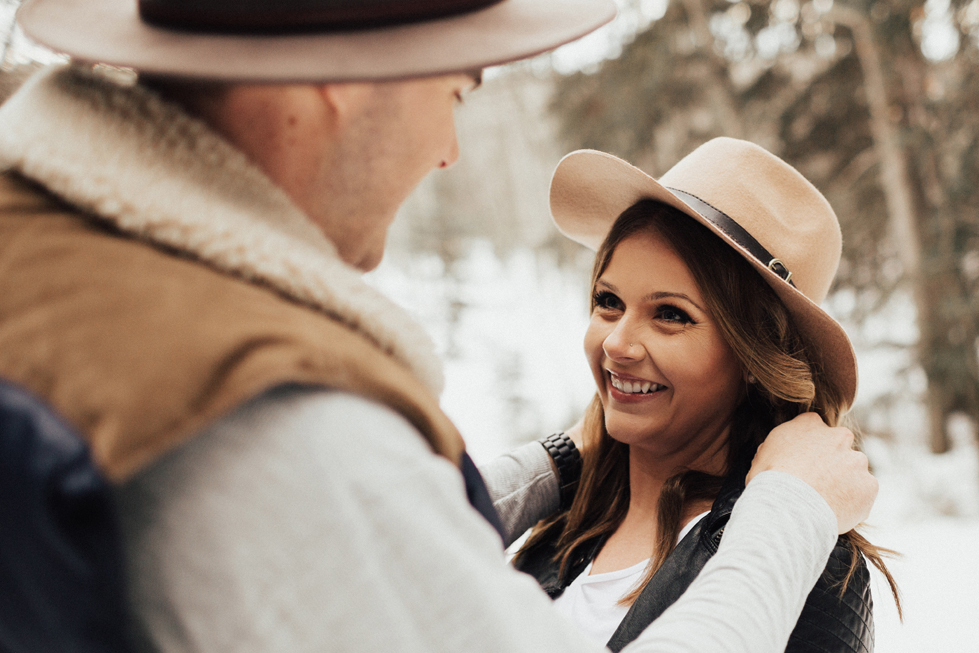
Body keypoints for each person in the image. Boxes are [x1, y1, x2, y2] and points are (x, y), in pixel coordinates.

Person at [0, 0, 876, 651]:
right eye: (456, 89)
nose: (449, 147)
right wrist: (787, 514)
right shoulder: (257, 399)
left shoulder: (63, 275)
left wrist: (552, 468)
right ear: (344, 77)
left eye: (672, 313)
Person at [508, 140, 899, 651]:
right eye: (608, 302)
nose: (617, 343)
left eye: (670, 314)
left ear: (755, 360)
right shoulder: (562, 529)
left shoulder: (808, 561)